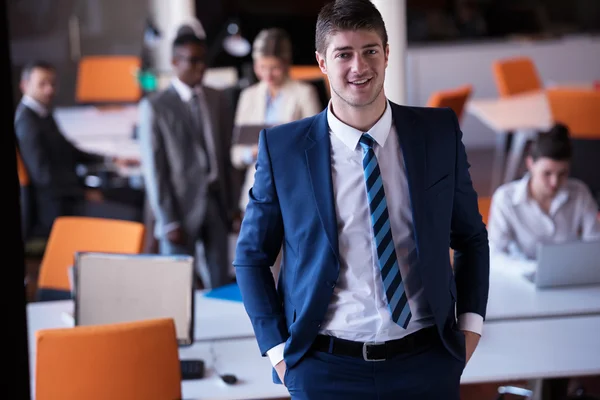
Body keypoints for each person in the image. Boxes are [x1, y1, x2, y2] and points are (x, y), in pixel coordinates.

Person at [233, 1, 490, 399]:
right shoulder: (283, 149)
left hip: (426, 364)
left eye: (370, 50)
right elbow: (251, 255)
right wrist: (280, 355)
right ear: (321, 62)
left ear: (387, 54)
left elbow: (471, 238)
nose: (359, 66)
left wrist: (470, 331)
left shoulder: (437, 133)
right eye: (344, 54)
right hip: (324, 370)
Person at [138, 28, 236, 289]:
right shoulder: (155, 106)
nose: (200, 67)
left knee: (221, 282)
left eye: (203, 60)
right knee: (178, 288)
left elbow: (226, 156)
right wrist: (168, 219)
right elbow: (154, 171)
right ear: (174, 62)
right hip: (179, 209)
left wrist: (233, 206)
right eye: (193, 60)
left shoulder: (217, 98)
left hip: (216, 202)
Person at [15, 60, 139, 237]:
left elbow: (70, 151)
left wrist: (111, 159)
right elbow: (44, 178)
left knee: (136, 196)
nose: (49, 89)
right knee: (133, 216)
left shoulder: (42, 114)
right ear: (24, 85)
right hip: (60, 208)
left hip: (71, 193)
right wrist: (83, 194)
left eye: (52, 83)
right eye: (42, 84)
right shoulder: (27, 124)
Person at [488, 123, 600, 275]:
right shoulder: (505, 199)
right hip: (523, 277)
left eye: (562, 174)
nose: (554, 182)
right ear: (530, 164)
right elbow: (493, 255)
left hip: (570, 276)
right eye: (547, 173)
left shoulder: (580, 193)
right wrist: (534, 270)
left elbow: (595, 245)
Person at [231, 27, 322, 212]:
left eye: (274, 68)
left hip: (294, 190)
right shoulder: (249, 96)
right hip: (256, 191)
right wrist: (254, 153)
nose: (268, 75)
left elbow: (317, 144)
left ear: (286, 63)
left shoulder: (304, 93)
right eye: (262, 67)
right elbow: (236, 156)